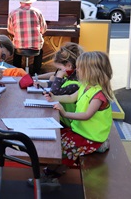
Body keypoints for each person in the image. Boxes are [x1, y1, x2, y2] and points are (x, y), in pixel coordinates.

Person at [29, 51, 114, 189]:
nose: (77, 69)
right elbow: (70, 98)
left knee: (66, 148)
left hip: (91, 137)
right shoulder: (85, 85)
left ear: (91, 71)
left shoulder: (98, 95)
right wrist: (54, 97)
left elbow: (87, 115)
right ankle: (49, 172)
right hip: (80, 131)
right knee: (58, 141)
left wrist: (65, 113)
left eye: (80, 67)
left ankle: (53, 176)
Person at [34, 42, 84, 127]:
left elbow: (55, 92)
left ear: (69, 66)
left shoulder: (75, 85)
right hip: (61, 118)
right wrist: (42, 83)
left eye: (60, 69)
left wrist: (59, 76)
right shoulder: (69, 77)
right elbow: (55, 84)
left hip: (69, 123)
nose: (59, 71)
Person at [7, 0, 47, 75]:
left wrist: (19, 33)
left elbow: (10, 30)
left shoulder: (13, 13)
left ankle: (17, 73)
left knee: (17, 50)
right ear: (31, 1)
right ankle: (36, 73)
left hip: (20, 46)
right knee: (40, 50)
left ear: (20, 1)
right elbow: (43, 29)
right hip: (35, 46)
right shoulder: (37, 12)